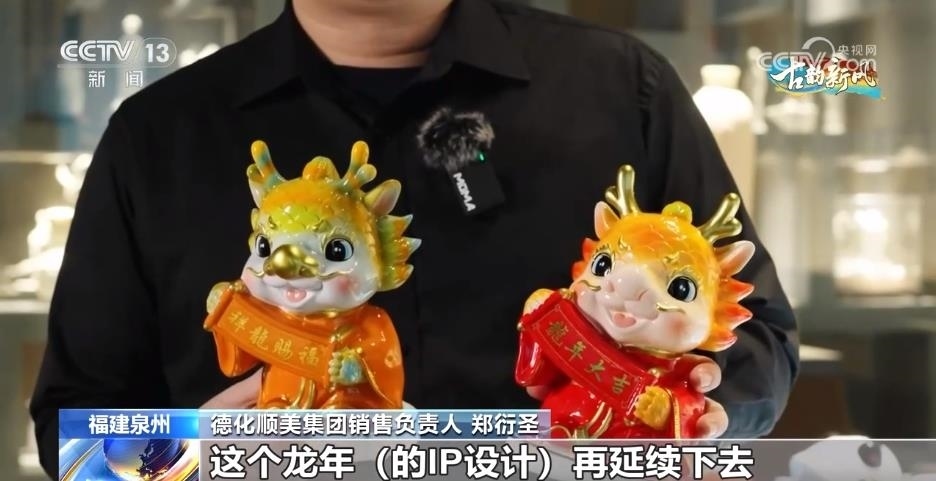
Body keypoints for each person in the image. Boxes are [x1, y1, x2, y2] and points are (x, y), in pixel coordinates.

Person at [30, 0, 799, 477]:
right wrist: (196, 454)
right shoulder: (158, 135)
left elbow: (756, 335)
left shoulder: (621, 89)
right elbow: (78, 427)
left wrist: (693, 411)